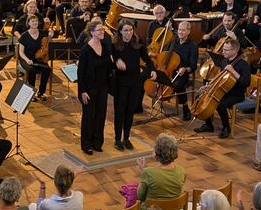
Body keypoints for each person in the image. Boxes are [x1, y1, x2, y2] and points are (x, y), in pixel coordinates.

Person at [112, 19, 156, 150]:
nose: (129, 33)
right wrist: (116, 63)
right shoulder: (115, 45)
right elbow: (110, 62)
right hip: (120, 83)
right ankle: (117, 139)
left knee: (130, 111)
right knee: (120, 112)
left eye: (131, 30)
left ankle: (126, 138)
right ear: (120, 31)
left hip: (134, 83)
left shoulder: (138, 44)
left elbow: (148, 61)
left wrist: (152, 70)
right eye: (125, 30)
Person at [194, 39, 251, 138]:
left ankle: (226, 127)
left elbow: (246, 83)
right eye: (223, 49)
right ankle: (208, 125)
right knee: (202, 97)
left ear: (234, 51)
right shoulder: (224, 61)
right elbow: (221, 79)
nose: (223, 51)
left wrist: (233, 71)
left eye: (226, 50)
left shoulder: (244, 65)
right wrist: (209, 87)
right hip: (224, 90)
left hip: (237, 94)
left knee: (220, 104)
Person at [78, 20, 112, 155]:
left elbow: (108, 66)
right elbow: (80, 73)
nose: (102, 32)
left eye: (102, 29)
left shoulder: (105, 46)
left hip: (102, 87)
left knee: (100, 115)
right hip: (89, 88)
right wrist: (82, 91)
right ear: (92, 33)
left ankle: (97, 142)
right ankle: (86, 144)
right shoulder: (85, 50)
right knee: (88, 116)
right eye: (99, 30)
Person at [136, 134, 185, 210]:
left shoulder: (148, 172)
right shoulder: (181, 171)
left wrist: (144, 171)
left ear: (157, 152)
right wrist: (145, 170)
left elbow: (140, 196)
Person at [166, 21, 198, 121]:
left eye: (183, 30)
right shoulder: (172, 42)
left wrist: (185, 69)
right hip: (169, 71)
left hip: (182, 73)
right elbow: (165, 55)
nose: (180, 32)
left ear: (188, 32)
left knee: (177, 85)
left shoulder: (192, 46)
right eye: (179, 29)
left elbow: (193, 66)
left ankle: (185, 108)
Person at [18, 15, 53, 101]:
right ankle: (31, 93)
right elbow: (21, 52)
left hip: (39, 59)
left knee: (47, 69)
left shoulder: (42, 33)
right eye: (32, 21)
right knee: (31, 70)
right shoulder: (24, 36)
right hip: (26, 59)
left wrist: (51, 35)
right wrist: (27, 60)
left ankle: (41, 92)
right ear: (28, 23)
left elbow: (47, 42)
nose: (35, 22)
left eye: (36, 21)